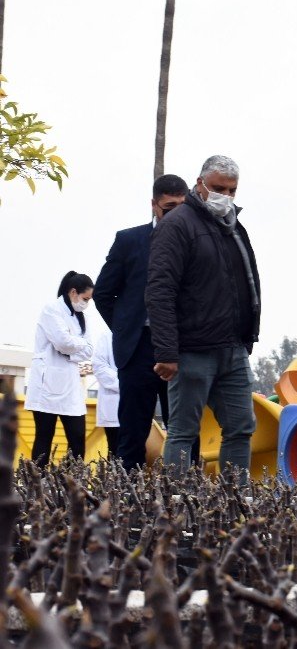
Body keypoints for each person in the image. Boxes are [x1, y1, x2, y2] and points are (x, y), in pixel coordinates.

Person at [146, 156, 261, 478]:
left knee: (241, 427)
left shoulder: (233, 227)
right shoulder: (177, 225)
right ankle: (175, 505)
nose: (225, 195)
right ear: (199, 184)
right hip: (192, 350)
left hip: (233, 349)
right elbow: (160, 291)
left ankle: (235, 501)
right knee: (183, 431)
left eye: (232, 189)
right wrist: (167, 352)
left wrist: (247, 336)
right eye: (218, 188)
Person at [94, 174, 191, 470]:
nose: (175, 214)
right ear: (154, 205)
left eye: (182, 208)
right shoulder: (129, 241)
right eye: (168, 207)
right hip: (138, 349)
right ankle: (126, 503)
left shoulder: (195, 242)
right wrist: (126, 329)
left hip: (183, 347)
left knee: (186, 432)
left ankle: (185, 501)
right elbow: (102, 293)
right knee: (133, 433)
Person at [25, 271, 95, 466]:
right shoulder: (51, 309)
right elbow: (62, 342)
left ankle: (71, 484)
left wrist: (70, 351)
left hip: (70, 384)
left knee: (78, 438)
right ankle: (38, 487)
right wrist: (73, 348)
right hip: (47, 384)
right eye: (85, 298)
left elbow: (88, 350)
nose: (87, 303)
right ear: (73, 292)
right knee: (44, 438)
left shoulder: (82, 317)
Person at [92, 330, 121, 457]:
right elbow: (99, 367)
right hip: (113, 404)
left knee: (136, 448)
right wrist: (126, 385)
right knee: (115, 449)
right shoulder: (106, 336)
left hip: (137, 404)